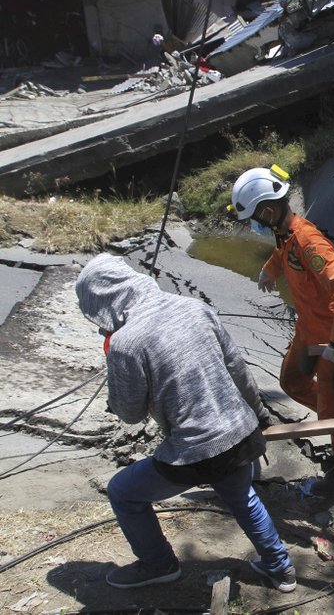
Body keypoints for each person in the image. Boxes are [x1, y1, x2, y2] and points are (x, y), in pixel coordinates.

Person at [75, 254, 296, 592]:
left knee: (123, 492)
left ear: (103, 301)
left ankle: (158, 565)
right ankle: (281, 569)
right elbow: (238, 369)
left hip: (196, 451)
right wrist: (260, 416)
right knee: (241, 496)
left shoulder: (124, 343)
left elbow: (130, 414)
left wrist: (116, 371)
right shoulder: (194, 307)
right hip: (241, 433)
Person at [231, 166, 334, 497]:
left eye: (254, 218)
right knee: (291, 382)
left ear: (268, 210)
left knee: (333, 409)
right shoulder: (286, 236)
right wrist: (269, 270)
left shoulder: (310, 243)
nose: (255, 224)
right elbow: (282, 254)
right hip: (308, 330)